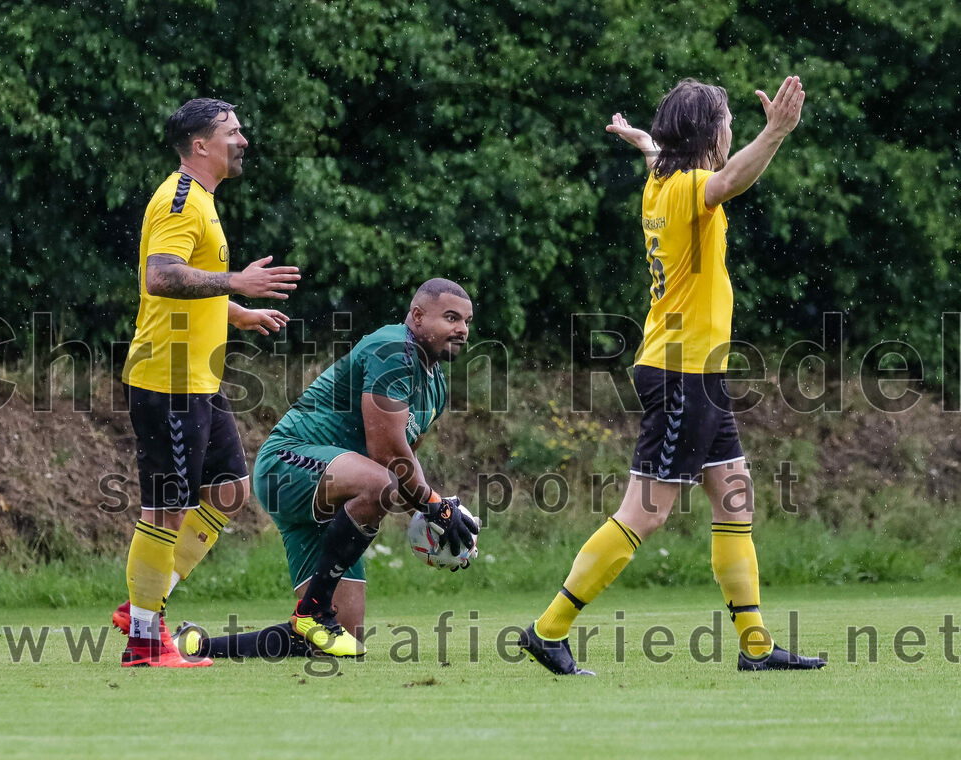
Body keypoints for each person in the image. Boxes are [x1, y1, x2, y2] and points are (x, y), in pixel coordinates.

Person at [519, 76, 826, 675]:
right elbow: (731, 179)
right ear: (708, 134)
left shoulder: (662, 180)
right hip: (682, 373)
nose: (732, 128)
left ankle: (757, 649)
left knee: (734, 499)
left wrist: (642, 142)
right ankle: (547, 630)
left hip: (695, 374)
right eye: (728, 121)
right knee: (648, 512)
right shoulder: (689, 187)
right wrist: (777, 131)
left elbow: (673, 161)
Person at [180, 279, 479, 661]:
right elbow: (387, 456)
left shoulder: (435, 387)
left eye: (467, 322)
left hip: (337, 490)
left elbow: (404, 465)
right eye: (451, 317)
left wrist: (438, 520)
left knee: (342, 637)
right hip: (287, 464)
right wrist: (436, 504)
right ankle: (312, 611)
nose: (462, 330)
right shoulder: (393, 349)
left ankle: (197, 647)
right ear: (417, 316)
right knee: (379, 484)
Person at [114, 98, 301, 667]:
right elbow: (162, 276)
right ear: (201, 145)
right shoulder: (179, 199)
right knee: (165, 507)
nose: (243, 140)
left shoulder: (203, 201)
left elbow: (188, 285)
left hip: (197, 379)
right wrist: (238, 282)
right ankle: (145, 642)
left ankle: (146, 602)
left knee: (228, 493)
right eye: (233, 132)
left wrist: (234, 312)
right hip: (168, 377)